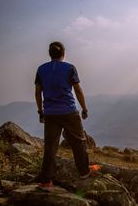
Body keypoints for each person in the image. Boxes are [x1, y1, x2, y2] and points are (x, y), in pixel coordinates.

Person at [34, 41, 97, 191]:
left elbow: (38, 92)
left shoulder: (41, 69)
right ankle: (84, 172)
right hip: (68, 111)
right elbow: (78, 90)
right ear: (63, 53)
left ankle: (46, 181)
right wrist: (84, 108)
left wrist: (40, 111)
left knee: (50, 146)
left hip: (50, 113)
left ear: (50, 54)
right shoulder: (69, 68)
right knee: (79, 142)